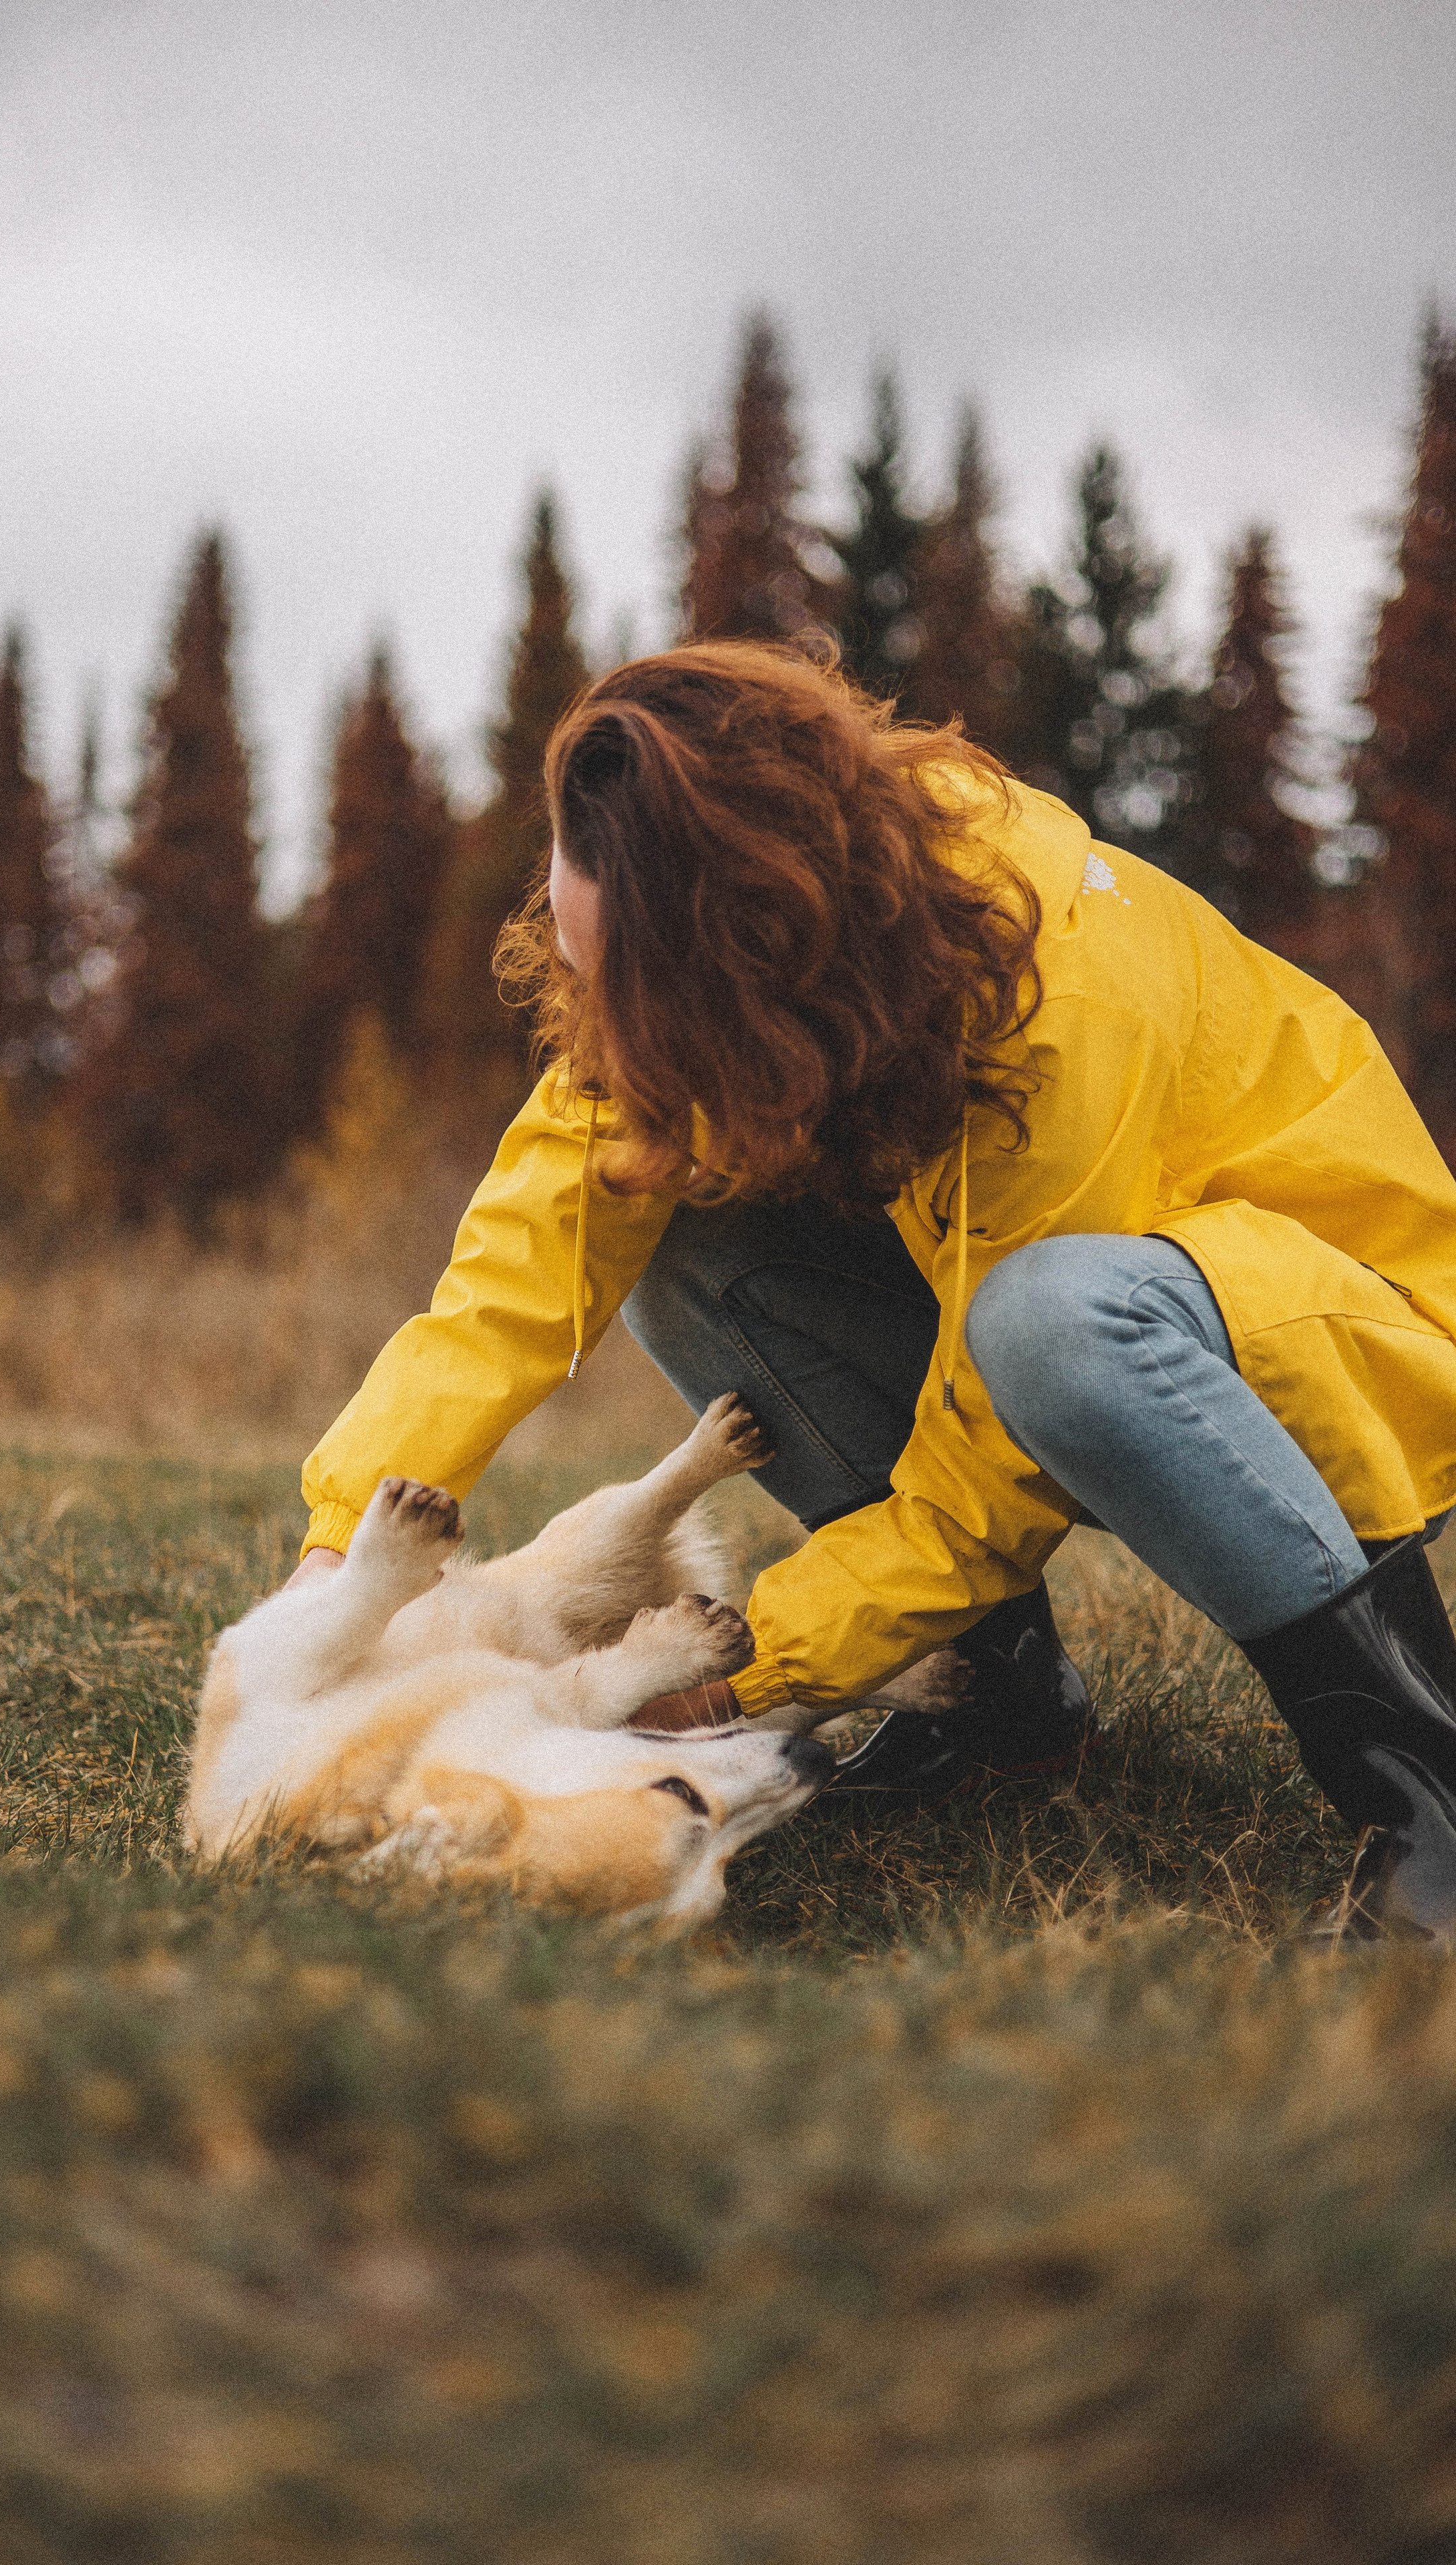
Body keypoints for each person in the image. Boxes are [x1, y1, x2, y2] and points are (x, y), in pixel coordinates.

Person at [293, 639, 1456, 1943]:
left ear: (745, 946)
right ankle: (996, 1706)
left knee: (1050, 1321)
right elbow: (523, 1258)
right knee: (683, 1240)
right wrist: (340, 1562)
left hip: (1340, 1331)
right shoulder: (694, 949)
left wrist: (748, 1666)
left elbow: (984, 1470)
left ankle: (1424, 1790)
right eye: (580, 964)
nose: (601, 1010)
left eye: (623, 980)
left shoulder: (1049, 997)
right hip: (1090, 1340)